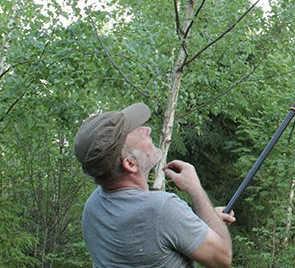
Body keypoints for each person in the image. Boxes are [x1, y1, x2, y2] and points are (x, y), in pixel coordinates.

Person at [73, 102, 234, 268]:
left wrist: (194, 224)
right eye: (139, 132)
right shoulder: (163, 209)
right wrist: (195, 188)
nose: (148, 129)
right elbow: (222, 259)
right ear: (130, 164)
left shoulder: (93, 207)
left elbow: (151, 234)